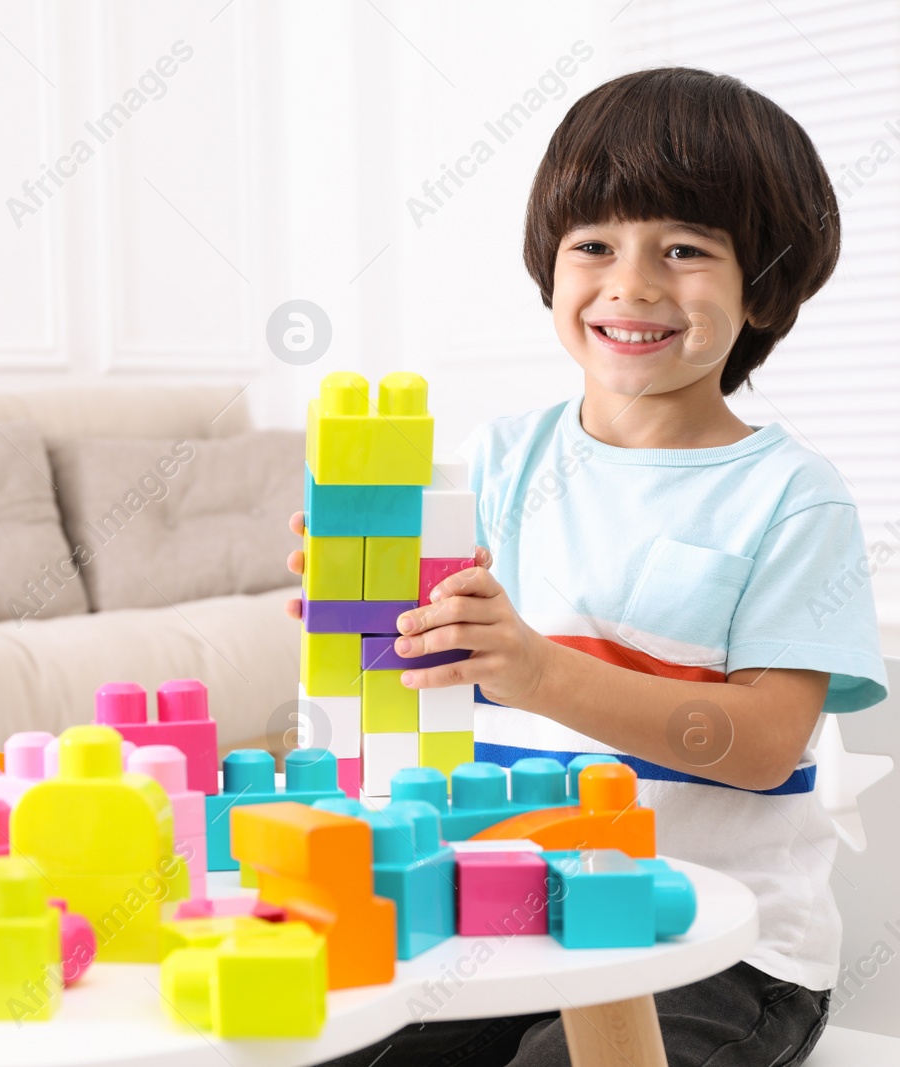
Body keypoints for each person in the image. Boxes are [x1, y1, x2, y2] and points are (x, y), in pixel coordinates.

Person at [286, 67, 888, 1067]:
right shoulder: (497, 462)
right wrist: (355, 605)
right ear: (550, 269)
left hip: (714, 944)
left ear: (764, 284)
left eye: (684, 249)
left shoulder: (790, 495)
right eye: (594, 244)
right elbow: (420, 671)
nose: (632, 284)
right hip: (500, 914)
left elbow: (763, 746)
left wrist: (534, 667)